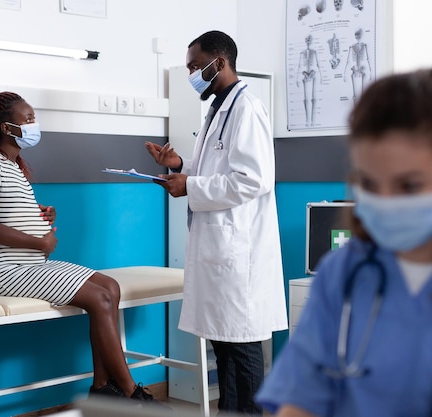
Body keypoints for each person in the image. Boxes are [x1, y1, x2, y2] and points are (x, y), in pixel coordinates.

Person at [255, 67, 432, 417]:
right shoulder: (343, 273)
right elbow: (300, 399)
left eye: (409, 186)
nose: (385, 201)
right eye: (369, 183)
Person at [0, 91, 162, 406]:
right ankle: (129, 391)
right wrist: (41, 241)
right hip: (1, 270)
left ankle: (101, 387)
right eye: (27, 119)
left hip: (27, 266)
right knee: (99, 297)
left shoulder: (12, 166)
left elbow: (8, 213)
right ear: (6, 127)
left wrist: (40, 215)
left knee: (110, 286)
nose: (34, 124)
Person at [145, 30, 288, 415]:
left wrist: (190, 185)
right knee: (225, 348)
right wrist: (178, 167)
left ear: (219, 63)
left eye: (195, 65)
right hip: (220, 250)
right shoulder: (217, 108)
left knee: (240, 349)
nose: (192, 73)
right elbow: (217, 169)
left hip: (239, 252)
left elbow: (254, 180)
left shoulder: (246, 109)